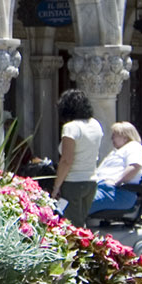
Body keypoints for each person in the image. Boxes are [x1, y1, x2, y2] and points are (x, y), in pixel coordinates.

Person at [51, 89, 103, 226]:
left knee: (72, 227)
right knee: (81, 224)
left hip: (73, 182)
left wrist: (56, 187)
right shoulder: (95, 125)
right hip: (91, 181)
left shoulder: (71, 127)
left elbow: (67, 160)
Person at [90, 120, 142, 217]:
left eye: (115, 135)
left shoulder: (134, 147)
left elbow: (134, 166)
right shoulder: (116, 151)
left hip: (119, 192)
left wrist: (117, 181)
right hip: (102, 189)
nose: (112, 138)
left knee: (80, 205)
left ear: (125, 137)